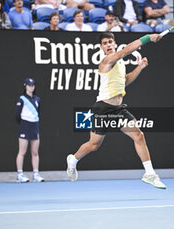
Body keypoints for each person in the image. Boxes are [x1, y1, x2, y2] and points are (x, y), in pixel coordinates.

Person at [66, 32, 166, 189]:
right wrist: (148, 38)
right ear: (101, 47)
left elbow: (124, 81)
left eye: (110, 42)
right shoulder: (107, 61)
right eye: (105, 43)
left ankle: (150, 174)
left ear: (114, 43)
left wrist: (139, 68)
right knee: (94, 145)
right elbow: (125, 51)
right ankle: (73, 159)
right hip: (102, 109)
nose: (108, 45)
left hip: (118, 109)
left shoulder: (119, 63)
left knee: (139, 135)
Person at [15, 78, 44, 183]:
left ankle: (36, 174)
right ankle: (20, 174)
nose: (31, 87)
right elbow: (17, 115)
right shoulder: (21, 99)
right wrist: (24, 123)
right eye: (29, 85)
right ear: (25, 86)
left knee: (35, 152)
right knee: (22, 151)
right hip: (25, 125)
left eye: (33, 85)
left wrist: (33, 122)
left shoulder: (37, 99)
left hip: (34, 126)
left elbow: (38, 113)